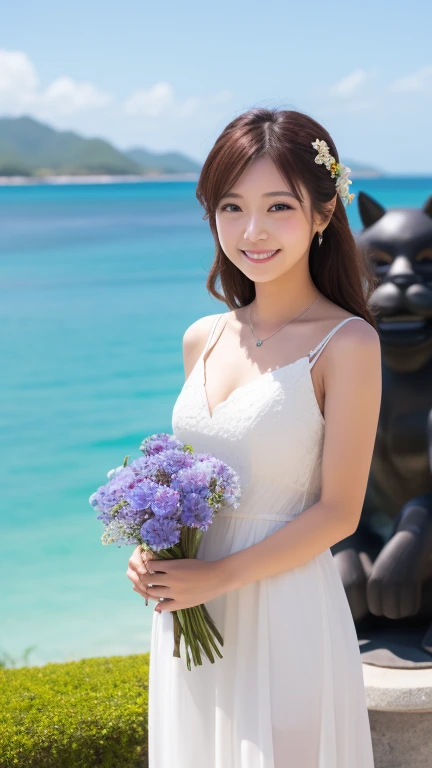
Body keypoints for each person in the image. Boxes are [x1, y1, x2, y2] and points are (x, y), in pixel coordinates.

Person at [126, 107, 381, 767]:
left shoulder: (346, 343)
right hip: (192, 614)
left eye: (278, 206)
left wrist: (219, 576)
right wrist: (153, 559)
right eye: (232, 207)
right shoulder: (202, 338)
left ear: (323, 215)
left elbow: (339, 511)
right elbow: (191, 486)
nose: (253, 230)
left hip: (284, 610)